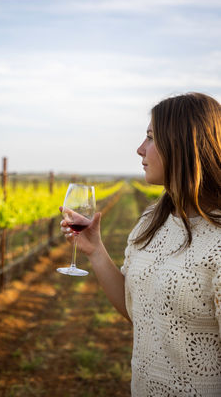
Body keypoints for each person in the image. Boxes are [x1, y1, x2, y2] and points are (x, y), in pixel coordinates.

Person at [60, 92, 221, 396]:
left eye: (150, 137)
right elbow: (137, 309)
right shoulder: (151, 220)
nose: (139, 149)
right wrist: (95, 250)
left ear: (183, 145)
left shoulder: (217, 241)